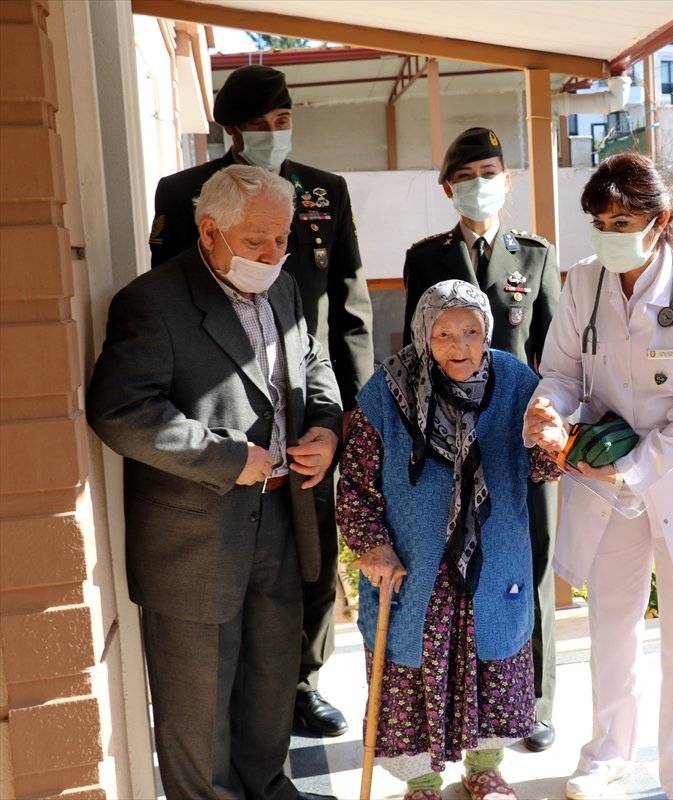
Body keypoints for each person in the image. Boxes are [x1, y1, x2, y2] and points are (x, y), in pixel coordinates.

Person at [86, 165, 341, 800]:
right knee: (197, 710)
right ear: (209, 230)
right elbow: (121, 411)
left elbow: (312, 360)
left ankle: (269, 786)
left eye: (282, 239)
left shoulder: (282, 289)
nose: (274, 254)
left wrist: (328, 429)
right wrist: (226, 459)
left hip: (283, 520)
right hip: (196, 540)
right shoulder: (152, 303)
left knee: (270, 680)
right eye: (257, 240)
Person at [148, 64, 372, 737]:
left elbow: (350, 306)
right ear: (230, 131)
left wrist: (351, 412)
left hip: (310, 397)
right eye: (259, 126)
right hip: (227, 402)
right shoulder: (186, 192)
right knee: (244, 547)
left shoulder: (324, 191)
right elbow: (172, 302)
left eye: (283, 123)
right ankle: (249, 680)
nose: (275, 135)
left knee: (315, 546)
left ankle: (303, 677)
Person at [522, 153, 673, 800]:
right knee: (612, 621)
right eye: (598, 219)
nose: (607, 231)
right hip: (605, 477)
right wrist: (547, 408)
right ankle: (607, 754)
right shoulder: (583, 281)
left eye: (622, 219)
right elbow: (560, 370)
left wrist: (630, 469)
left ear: (661, 220)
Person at [337, 280, 559, 800]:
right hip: (414, 562)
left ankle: (485, 768)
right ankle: (421, 781)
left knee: (493, 655)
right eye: (443, 334)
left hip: (494, 555)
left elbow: (543, 466)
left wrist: (554, 440)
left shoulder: (515, 381)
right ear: (422, 334)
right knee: (410, 669)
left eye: (472, 331)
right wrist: (371, 544)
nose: (460, 347)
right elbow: (355, 480)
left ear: (488, 330)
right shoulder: (386, 390)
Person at [401, 126, 561, 753]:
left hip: (515, 433)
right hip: (448, 435)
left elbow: (555, 354)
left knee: (531, 560)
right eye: (466, 177)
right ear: (448, 188)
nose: (479, 186)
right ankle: (471, 695)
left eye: (489, 173)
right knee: (458, 565)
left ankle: (536, 697)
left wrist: (550, 426)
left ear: (508, 180)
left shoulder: (535, 254)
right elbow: (418, 349)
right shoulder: (426, 257)